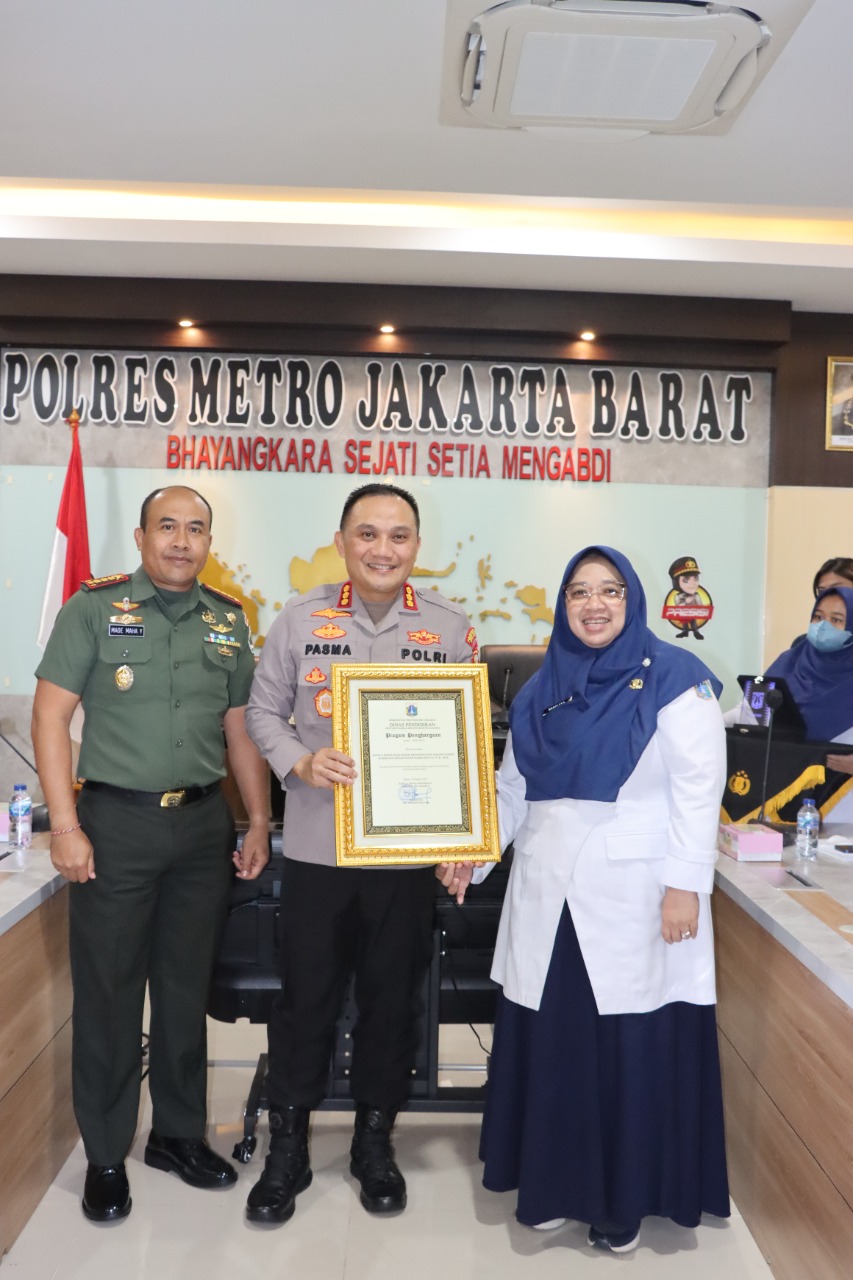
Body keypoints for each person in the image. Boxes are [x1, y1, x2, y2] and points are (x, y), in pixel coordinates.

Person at [438, 546, 730, 1254]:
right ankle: (548, 1189)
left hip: (637, 896)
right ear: (563, 604)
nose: (593, 605)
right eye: (578, 592)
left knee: (624, 1050)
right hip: (547, 895)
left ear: (632, 599)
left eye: (609, 591)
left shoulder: (677, 677)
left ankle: (621, 1205)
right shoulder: (541, 687)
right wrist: (477, 850)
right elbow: (512, 789)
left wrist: (684, 886)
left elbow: (699, 790)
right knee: (554, 1048)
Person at [31, 485, 270, 1223]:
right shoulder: (93, 609)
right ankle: (106, 1154)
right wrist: (64, 826)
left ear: (208, 543)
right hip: (115, 827)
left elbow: (239, 729)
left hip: (200, 829)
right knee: (109, 995)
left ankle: (176, 1135)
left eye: (195, 529)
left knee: (183, 990)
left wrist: (259, 819)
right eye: (167, 526)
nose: (181, 540)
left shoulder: (228, 620)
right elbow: (50, 716)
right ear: (141, 537)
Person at [244, 482, 478, 1226]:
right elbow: (261, 712)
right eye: (368, 534)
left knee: (390, 1003)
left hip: (404, 862)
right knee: (305, 1002)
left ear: (417, 546)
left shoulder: (449, 628)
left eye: (398, 536)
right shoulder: (299, 618)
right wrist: (299, 761)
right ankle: (288, 1148)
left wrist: (462, 841)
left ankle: (374, 1142)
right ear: (342, 541)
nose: (383, 549)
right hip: (319, 851)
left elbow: (467, 739)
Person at [765, 585, 853, 820]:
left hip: (845, 804)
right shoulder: (789, 662)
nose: (823, 626)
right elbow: (753, 711)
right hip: (784, 790)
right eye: (818, 617)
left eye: (836, 620)